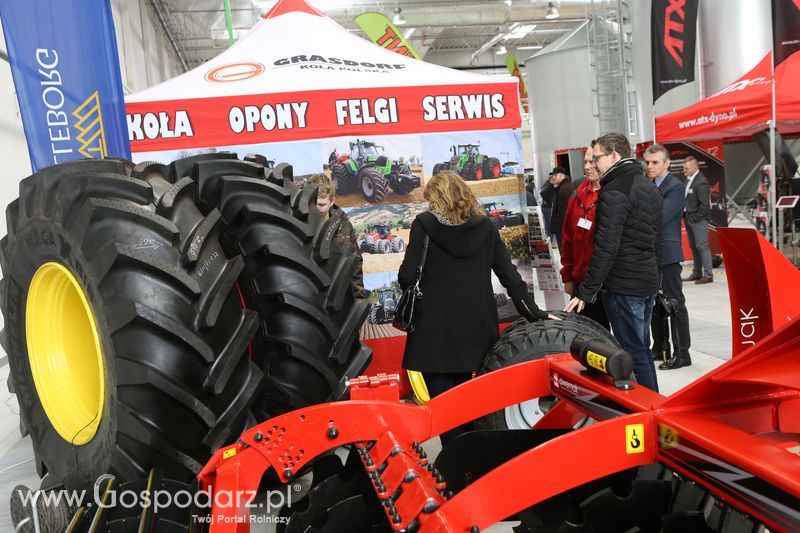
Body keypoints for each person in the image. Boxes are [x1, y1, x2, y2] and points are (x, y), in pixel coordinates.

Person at [400, 170, 556, 445]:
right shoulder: (486, 227)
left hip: (433, 330)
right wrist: (535, 313)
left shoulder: (423, 224)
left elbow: (407, 277)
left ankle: (456, 454)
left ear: (436, 199)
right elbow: (510, 276)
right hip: (475, 327)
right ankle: (471, 451)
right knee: (466, 396)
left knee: (443, 403)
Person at [564, 133, 663, 392]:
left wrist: (585, 291)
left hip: (624, 285)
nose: (593, 164)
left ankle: (647, 407)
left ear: (614, 155)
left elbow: (607, 247)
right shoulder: (647, 186)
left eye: (596, 158)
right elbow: (656, 240)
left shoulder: (614, 191)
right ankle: (652, 400)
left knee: (631, 352)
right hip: (646, 282)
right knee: (642, 348)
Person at [643, 144, 692, 370]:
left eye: (654, 162)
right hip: (650, 252)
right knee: (654, 303)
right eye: (648, 162)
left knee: (674, 303)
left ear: (666, 164)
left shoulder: (675, 187)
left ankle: (683, 353)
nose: (650, 166)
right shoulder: (649, 185)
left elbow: (660, 217)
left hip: (668, 252)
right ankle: (660, 347)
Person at [560, 146, 609, 330]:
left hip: (609, 282)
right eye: (586, 162)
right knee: (589, 335)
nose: (588, 167)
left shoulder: (613, 193)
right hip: (581, 280)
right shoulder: (578, 193)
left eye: (592, 161)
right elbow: (568, 238)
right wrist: (568, 276)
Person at [305, 173, 365, 298]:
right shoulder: (299, 222)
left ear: (332, 201)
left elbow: (354, 266)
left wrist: (358, 299)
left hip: (334, 296)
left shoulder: (343, 226)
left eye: (322, 205)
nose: (316, 209)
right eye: (313, 203)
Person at [683, 156, 713, 284]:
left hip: (697, 219)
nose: (684, 170)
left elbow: (705, 204)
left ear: (695, 167)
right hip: (689, 217)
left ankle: (708, 275)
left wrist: (696, 218)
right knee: (694, 246)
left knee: (702, 246)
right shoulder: (689, 179)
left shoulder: (701, 182)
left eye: (686, 168)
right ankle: (697, 273)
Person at [548, 167, 574, 252]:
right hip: (563, 229)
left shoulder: (565, 188)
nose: (553, 177)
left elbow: (564, 212)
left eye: (555, 175)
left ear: (562, 175)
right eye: (553, 175)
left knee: (564, 253)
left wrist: (561, 229)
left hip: (563, 229)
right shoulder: (563, 186)